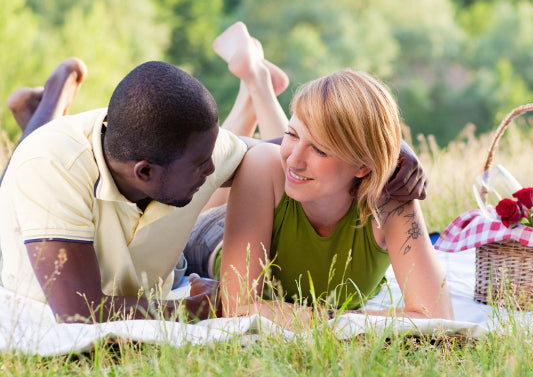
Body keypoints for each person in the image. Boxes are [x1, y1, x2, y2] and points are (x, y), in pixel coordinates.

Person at [0, 22, 427, 324]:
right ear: (145, 172)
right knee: (26, 163)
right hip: (42, 174)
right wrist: (186, 311)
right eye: (202, 167)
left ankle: (41, 109)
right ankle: (48, 105)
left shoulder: (200, 156)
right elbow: (78, 311)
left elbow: (291, 154)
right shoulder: (52, 170)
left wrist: (394, 150)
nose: (217, 169)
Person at [209, 68, 453, 331]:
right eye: (290, 134)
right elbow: (237, 308)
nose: (294, 159)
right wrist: (347, 319)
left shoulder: (389, 199)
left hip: (286, 194)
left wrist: (316, 318)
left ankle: (257, 87)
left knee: (288, 166)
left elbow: (437, 318)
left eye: (321, 150)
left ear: (363, 165)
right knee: (228, 164)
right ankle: (256, 84)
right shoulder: (263, 165)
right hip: (213, 232)